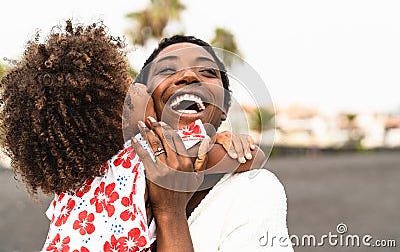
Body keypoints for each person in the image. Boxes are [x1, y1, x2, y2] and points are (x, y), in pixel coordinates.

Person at [0, 20, 263, 252]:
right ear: (123, 114)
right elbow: (249, 157)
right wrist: (223, 141)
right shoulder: (149, 154)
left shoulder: (72, 190)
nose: (140, 87)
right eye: (133, 87)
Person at [132, 35, 293, 251]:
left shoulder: (251, 190)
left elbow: (253, 156)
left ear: (225, 108)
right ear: (143, 100)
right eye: (167, 70)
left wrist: (170, 211)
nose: (188, 75)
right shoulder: (101, 171)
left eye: (207, 72)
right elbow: (254, 156)